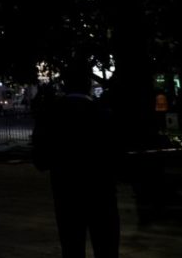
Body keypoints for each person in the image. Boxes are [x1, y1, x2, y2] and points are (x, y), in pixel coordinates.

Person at [32, 62, 120, 258]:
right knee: (106, 247)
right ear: (88, 83)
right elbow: (118, 155)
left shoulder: (50, 115)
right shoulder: (104, 114)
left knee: (72, 247)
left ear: (64, 85)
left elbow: (40, 160)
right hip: (101, 192)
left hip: (67, 193)